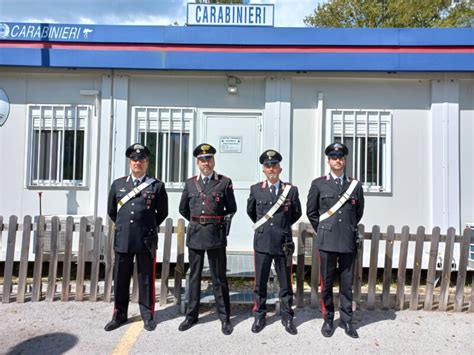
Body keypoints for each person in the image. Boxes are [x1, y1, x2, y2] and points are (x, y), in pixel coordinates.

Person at [104, 143, 168, 332]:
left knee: (145, 278)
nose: (137, 163)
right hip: (123, 239)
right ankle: (119, 315)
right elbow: (112, 211)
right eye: (134, 160)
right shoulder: (118, 184)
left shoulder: (156, 185)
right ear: (130, 162)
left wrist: (145, 225)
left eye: (141, 160)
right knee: (121, 278)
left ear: (147, 162)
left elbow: (162, 213)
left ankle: (147, 315)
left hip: (145, 239)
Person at [306, 142, 364, 338]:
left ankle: (347, 321)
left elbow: (358, 212)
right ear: (328, 160)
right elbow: (311, 212)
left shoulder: (354, 185)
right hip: (327, 241)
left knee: (347, 284)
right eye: (333, 157)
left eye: (340, 157)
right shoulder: (318, 184)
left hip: (347, 241)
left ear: (344, 160)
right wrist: (323, 229)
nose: (337, 161)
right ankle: (328, 319)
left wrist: (347, 228)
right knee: (327, 282)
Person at [178, 143, 237, 335]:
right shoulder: (190, 183)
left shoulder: (224, 182)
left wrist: (214, 222)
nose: (206, 163)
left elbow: (231, 208)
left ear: (213, 161)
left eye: (209, 159)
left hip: (215, 235)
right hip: (195, 234)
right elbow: (183, 209)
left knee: (219, 277)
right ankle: (191, 315)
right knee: (194, 276)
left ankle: (224, 317)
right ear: (197, 163)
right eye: (202, 160)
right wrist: (198, 221)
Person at [247, 149, 302, 335]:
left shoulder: (291, 190)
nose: (271, 169)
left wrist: (281, 226)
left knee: (285, 283)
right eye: (267, 166)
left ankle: (287, 317)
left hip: (283, 242)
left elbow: (296, 213)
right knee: (260, 283)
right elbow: (251, 212)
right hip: (262, 242)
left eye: (274, 166)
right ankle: (259, 316)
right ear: (264, 170)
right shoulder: (256, 189)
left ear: (280, 168)